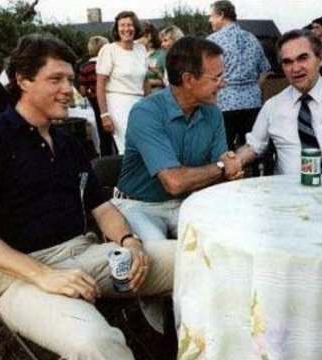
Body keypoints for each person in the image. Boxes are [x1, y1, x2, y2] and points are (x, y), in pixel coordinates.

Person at [0, 33, 175, 360]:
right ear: (23, 80)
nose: (67, 90)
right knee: (96, 344)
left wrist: (129, 241)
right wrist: (43, 275)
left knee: (201, 259)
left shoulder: (69, 142)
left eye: (70, 79)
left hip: (87, 255)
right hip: (19, 275)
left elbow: (101, 206)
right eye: (55, 79)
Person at [111, 36, 243, 241]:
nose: (223, 83)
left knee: (230, 239)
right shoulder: (146, 112)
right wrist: (222, 167)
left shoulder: (213, 112)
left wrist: (230, 170)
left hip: (188, 201)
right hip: (138, 205)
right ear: (189, 80)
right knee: (160, 257)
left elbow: (224, 169)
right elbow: (174, 182)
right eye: (216, 78)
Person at [235, 29, 322, 174]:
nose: (296, 68)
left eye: (303, 58)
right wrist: (233, 162)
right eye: (287, 62)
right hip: (286, 192)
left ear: (321, 58)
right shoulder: (272, 105)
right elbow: (253, 146)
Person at [207, 0, 271, 150]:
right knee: (252, 149)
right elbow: (265, 71)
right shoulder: (252, 38)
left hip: (224, 104)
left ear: (221, 15)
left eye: (211, 16)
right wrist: (254, 86)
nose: (209, 20)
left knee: (224, 151)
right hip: (252, 103)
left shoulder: (212, 41)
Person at [96, 11, 149, 154]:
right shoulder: (109, 50)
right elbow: (100, 82)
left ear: (135, 27)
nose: (126, 29)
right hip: (118, 103)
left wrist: (150, 104)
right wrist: (104, 114)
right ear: (117, 28)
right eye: (122, 25)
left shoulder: (141, 49)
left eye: (130, 25)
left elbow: (145, 80)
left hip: (140, 102)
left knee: (145, 144)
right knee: (128, 146)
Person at [78, 35, 115, 156]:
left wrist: (90, 92)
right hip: (112, 98)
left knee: (102, 132)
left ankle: (106, 156)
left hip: (95, 100)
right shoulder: (111, 64)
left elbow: (82, 90)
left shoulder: (85, 67)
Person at [137, 21, 166, 93]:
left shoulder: (161, 55)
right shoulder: (135, 54)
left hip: (155, 92)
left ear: (149, 36)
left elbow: (167, 80)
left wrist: (150, 82)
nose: (136, 41)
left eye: (139, 37)